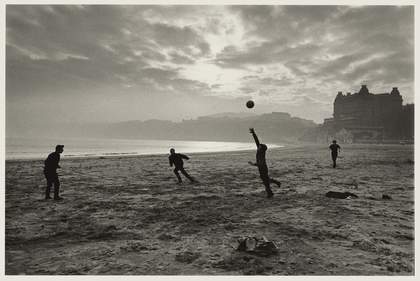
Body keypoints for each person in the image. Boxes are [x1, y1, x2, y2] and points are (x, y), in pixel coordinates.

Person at [248, 128, 281, 198]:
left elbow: (260, 164)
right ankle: (273, 187)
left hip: (263, 168)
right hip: (262, 168)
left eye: (260, 146)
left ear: (262, 149)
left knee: (265, 181)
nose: (258, 146)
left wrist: (252, 164)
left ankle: (271, 192)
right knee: (266, 180)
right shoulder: (260, 150)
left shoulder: (261, 154)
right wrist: (253, 133)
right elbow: (257, 141)